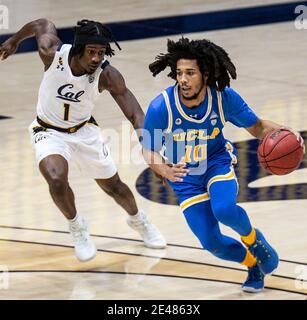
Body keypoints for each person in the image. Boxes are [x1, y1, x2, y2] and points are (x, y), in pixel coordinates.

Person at [141, 37, 304, 292]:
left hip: (217, 161)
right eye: (179, 73)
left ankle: (254, 240)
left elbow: (258, 126)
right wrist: (162, 168)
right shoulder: (161, 106)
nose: (182, 79)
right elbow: (148, 147)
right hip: (185, 175)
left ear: (205, 74)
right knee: (211, 242)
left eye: (190, 73)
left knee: (224, 209)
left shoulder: (223, 98)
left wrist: (290, 134)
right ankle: (252, 265)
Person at [0, 18, 166, 262]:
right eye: (91, 52)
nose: (97, 59)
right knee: (56, 179)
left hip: (84, 131)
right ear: (79, 49)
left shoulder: (107, 75)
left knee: (114, 187)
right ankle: (77, 227)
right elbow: (41, 24)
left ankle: (138, 220)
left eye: (101, 53)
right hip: (48, 131)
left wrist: (151, 150)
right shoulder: (51, 53)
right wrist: (13, 41)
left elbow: (135, 113)